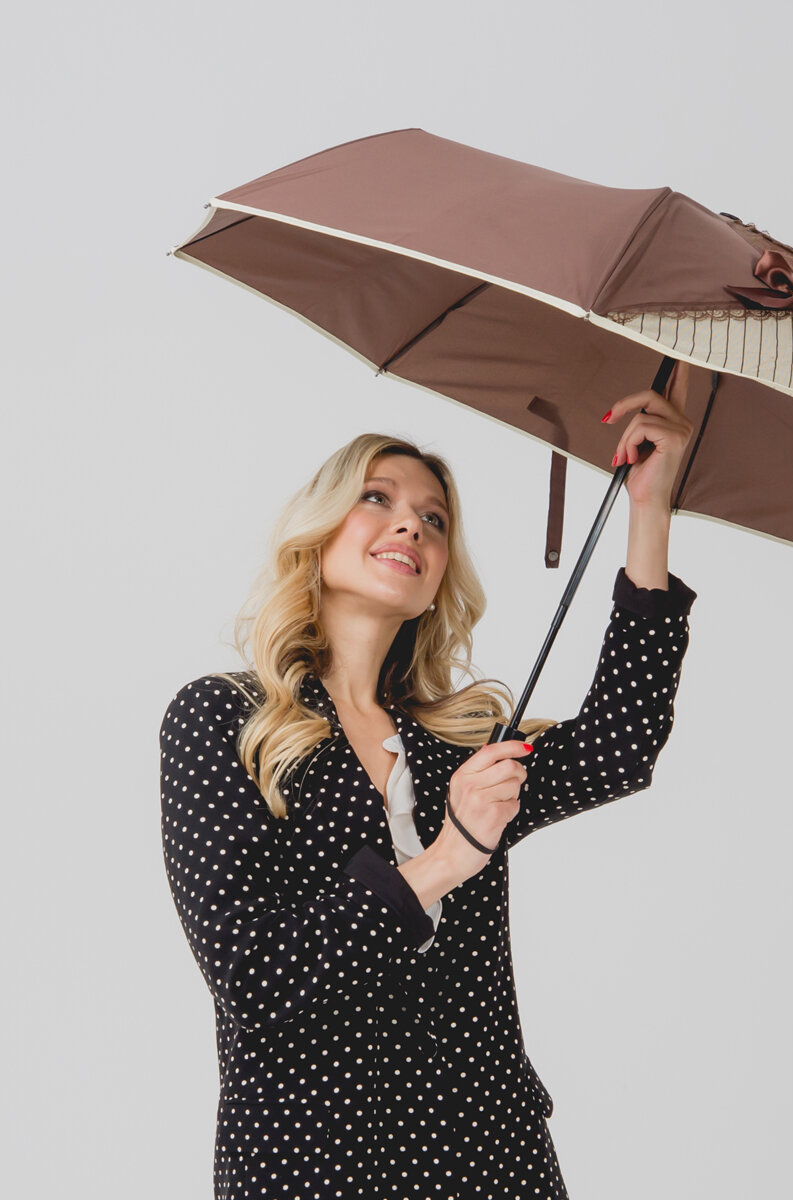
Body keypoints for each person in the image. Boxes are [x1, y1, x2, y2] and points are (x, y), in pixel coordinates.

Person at [159, 372, 697, 1200]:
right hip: (313, 1167)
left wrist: (649, 510)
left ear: (441, 573)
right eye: (377, 498)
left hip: (490, 1160)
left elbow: (619, 747)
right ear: (318, 529)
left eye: (435, 519)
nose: (411, 522)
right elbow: (255, 977)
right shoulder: (227, 721)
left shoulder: (459, 751)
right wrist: (449, 855)